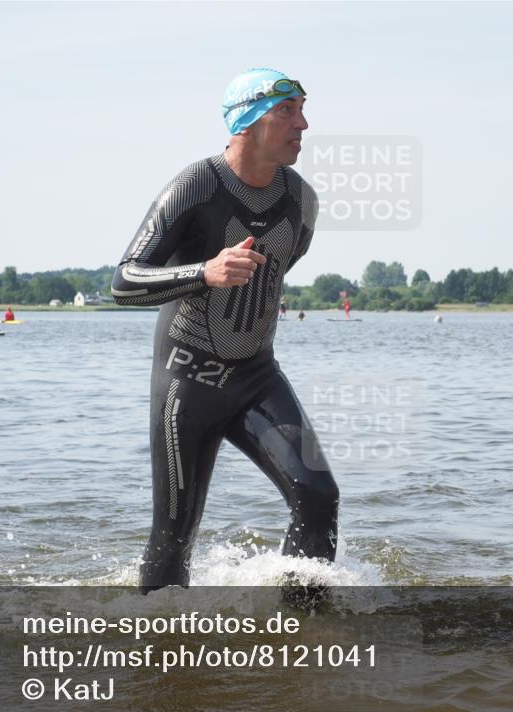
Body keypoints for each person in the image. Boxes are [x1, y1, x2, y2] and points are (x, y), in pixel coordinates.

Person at [111, 68, 338, 592]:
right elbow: (124, 283)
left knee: (317, 495)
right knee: (174, 535)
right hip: (187, 380)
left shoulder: (301, 200)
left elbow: (279, 270)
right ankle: (157, 638)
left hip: (257, 378)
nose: (303, 124)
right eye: (287, 111)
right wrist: (203, 272)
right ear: (246, 121)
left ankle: (302, 627)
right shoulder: (196, 185)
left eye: (303, 110)